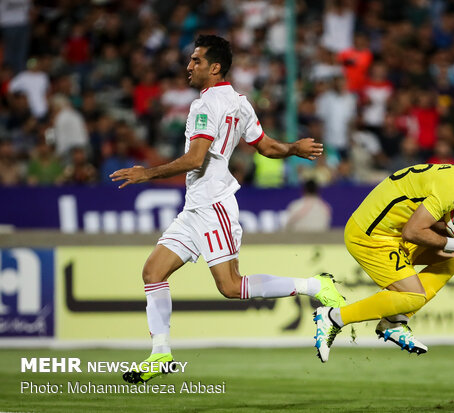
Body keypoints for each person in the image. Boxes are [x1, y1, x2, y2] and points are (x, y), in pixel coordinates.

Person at [110, 35, 345, 383]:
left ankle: (314, 285)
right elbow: (265, 146)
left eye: (196, 61)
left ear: (214, 67)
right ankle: (160, 355)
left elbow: (194, 158)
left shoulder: (204, 106)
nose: (189, 66)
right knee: (153, 272)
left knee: (231, 287)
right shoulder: (239, 102)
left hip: (214, 203)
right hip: (195, 207)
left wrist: (148, 173)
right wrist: (292, 148)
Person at [313, 143, 454, 362]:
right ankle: (334, 317)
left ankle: (394, 322)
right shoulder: (450, 188)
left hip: (394, 232)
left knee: (450, 262)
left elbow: (429, 224)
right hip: (370, 235)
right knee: (413, 297)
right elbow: (413, 232)